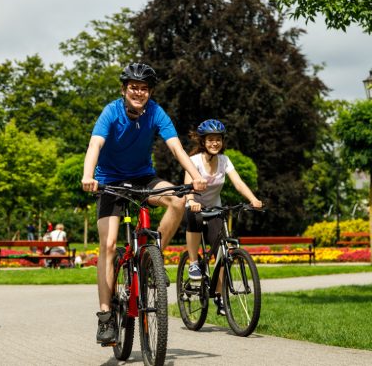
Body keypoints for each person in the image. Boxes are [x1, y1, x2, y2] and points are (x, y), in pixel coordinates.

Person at [81, 63, 207, 345]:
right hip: (109, 181)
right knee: (109, 244)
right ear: (124, 89)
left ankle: (153, 256)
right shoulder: (111, 112)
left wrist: (196, 176)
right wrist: (88, 175)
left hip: (142, 178)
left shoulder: (156, 112)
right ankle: (105, 316)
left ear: (149, 92)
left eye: (145, 88)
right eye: (134, 87)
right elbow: (95, 145)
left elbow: (175, 146)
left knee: (177, 200)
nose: (139, 92)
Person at [182, 119, 263, 316]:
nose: (214, 143)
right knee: (194, 218)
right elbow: (187, 185)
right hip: (195, 207)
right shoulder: (194, 161)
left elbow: (238, 182)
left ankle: (219, 296)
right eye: (210, 139)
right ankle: (193, 263)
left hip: (215, 209)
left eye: (218, 139)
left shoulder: (225, 161)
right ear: (203, 142)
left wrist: (253, 199)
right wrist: (192, 200)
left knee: (223, 251)